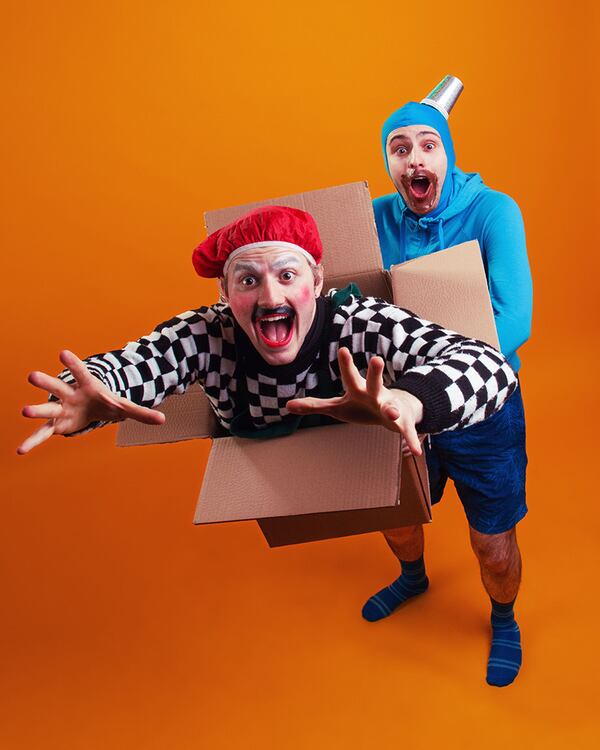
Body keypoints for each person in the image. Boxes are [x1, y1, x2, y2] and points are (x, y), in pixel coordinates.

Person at [19, 205, 516, 469]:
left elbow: (490, 365)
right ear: (225, 293)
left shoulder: (359, 323)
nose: (268, 296)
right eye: (248, 280)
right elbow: (138, 364)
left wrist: (410, 400)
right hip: (293, 472)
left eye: (286, 275)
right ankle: (410, 572)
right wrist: (91, 392)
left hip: (373, 451)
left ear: (317, 282)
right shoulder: (209, 335)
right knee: (400, 529)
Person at [364, 81, 533, 687]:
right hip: (396, 406)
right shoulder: (375, 217)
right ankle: (413, 577)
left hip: (481, 405)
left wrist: (433, 370)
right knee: (396, 516)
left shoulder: (494, 212)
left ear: (448, 156)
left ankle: (504, 616)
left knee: (492, 542)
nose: (414, 159)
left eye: (428, 146)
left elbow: (515, 320)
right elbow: (346, 296)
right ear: (389, 162)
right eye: (399, 148)